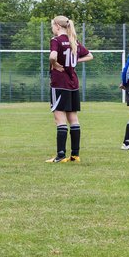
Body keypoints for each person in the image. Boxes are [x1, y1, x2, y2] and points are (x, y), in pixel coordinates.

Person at [46, 15, 92, 163]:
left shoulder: (56, 41)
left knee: (60, 119)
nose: (52, 29)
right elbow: (90, 56)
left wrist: (55, 64)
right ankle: (75, 155)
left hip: (60, 84)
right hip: (73, 84)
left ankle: (60, 155)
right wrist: (75, 61)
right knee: (73, 119)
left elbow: (53, 55)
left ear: (57, 27)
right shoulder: (74, 42)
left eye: (52, 26)